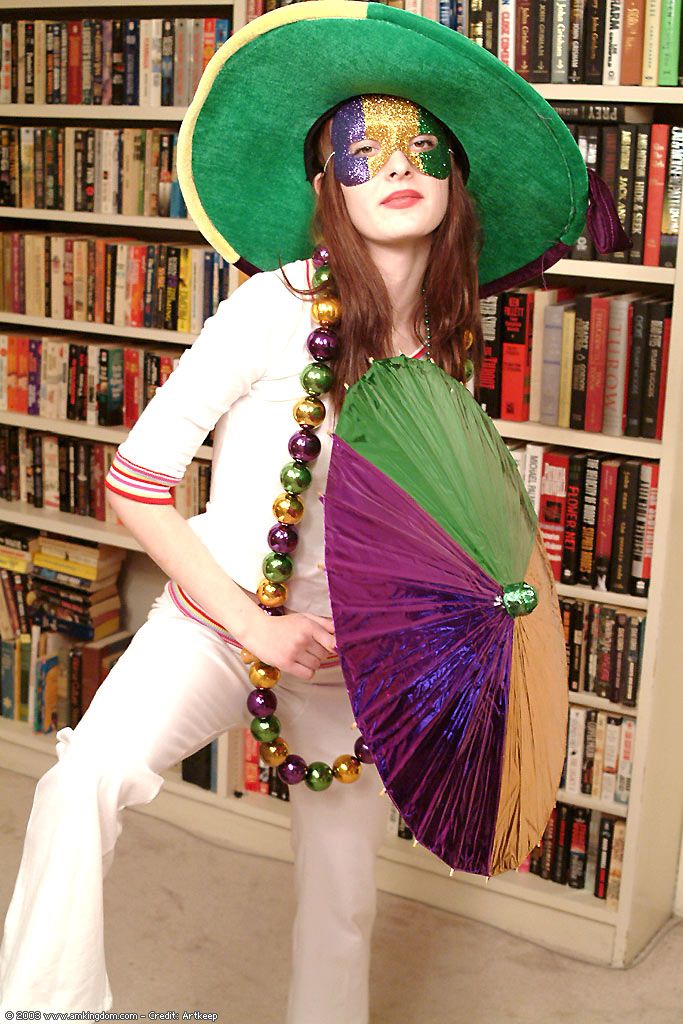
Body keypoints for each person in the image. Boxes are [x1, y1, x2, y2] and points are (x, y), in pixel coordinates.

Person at [0, 2, 625, 1020]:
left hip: (353, 652)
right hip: (218, 620)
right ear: (325, 183)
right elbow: (135, 482)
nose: (396, 165)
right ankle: (43, 1008)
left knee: (342, 900)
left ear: (456, 182)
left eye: (421, 148)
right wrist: (256, 627)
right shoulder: (271, 308)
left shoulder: (445, 335)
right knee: (83, 785)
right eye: (364, 150)